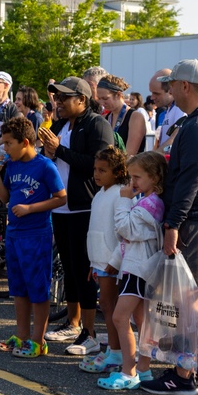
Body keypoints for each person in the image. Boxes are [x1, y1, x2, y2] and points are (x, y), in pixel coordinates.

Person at [141, 60, 198, 395]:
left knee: (191, 295)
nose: (168, 89)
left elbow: (191, 180)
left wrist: (172, 224)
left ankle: (184, 373)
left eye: (172, 83)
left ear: (186, 87)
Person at [37, 77, 115, 355]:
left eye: (64, 98)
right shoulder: (59, 124)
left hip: (85, 206)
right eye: (57, 98)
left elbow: (98, 164)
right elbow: (53, 157)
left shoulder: (96, 124)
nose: (58, 103)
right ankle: (73, 322)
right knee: (69, 267)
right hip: (60, 206)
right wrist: (46, 151)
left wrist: (59, 150)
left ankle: (90, 332)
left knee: (83, 268)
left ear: (82, 99)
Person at [0, 115, 66, 356]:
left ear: (25, 142)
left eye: (9, 143)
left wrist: (30, 208)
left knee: (37, 288)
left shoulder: (45, 166)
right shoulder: (11, 164)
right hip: (15, 233)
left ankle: (37, 339)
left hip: (36, 234)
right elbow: (6, 198)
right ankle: (21, 335)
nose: (5, 148)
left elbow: (61, 197)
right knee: (19, 288)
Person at [98, 151, 167, 390]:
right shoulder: (146, 201)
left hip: (138, 270)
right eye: (131, 177)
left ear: (154, 177)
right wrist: (115, 262)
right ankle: (143, 370)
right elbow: (129, 240)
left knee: (120, 317)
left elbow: (126, 230)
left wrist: (124, 199)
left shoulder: (150, 204)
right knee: (141, 320)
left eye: (137, 177)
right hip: (135, 268)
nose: (132, 182)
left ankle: (129, 371)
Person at [81, 146, 129, 374]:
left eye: (103, 170)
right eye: (95, 169)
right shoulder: (100, 193)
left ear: (118, 172)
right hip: (100, 261)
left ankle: (116, 352)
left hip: (112, 262)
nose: (97, 174)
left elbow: (122, 232)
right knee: (107, 307)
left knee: (111, 308)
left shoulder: (121, 194)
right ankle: (112, 350)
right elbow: (96, 228)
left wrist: (115, 260)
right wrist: (93, 262)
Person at [96, 74, 146, 156]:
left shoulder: (135, 117)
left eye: (105, 98)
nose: (102, 103)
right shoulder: (105, 118)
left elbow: (130, 154)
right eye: (99, 98)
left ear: (118, 95)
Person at [150, 69, 185, 152]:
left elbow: (173, 139)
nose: (152, 97)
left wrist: (152, 157)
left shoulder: (179, 108)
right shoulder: (169, 109)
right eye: (151, 93)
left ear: (170, 90)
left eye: (156, 93)